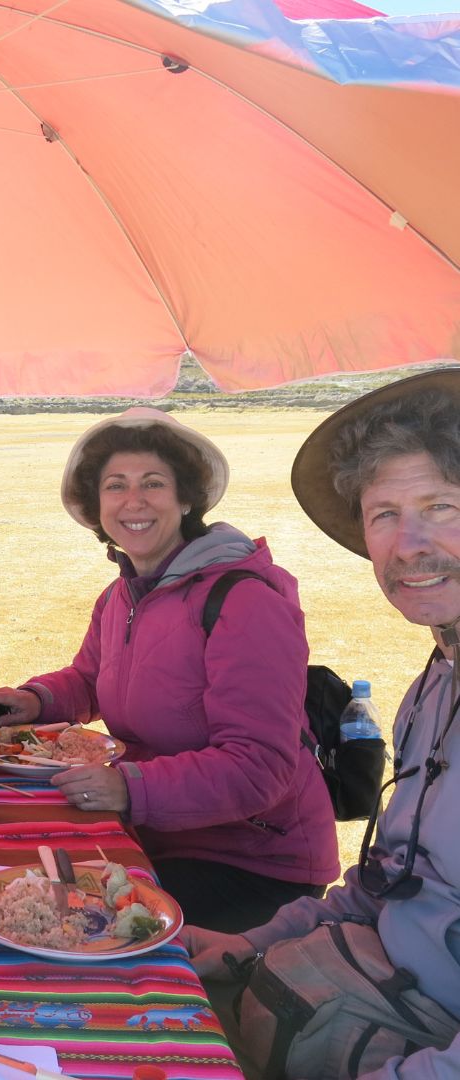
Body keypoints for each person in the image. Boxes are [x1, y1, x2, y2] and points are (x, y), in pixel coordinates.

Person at [186, 370, 460, 1078]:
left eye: (440, 506)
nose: (408, 545)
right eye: (383, 514)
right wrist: (249, 943)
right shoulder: (433, 688)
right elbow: (385, 881)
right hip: (359, 995)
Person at [0, 407, 338, 932]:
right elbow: (93, 680)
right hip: (155, 834)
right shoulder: (123, 594)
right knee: (19, 882)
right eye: (115, 486)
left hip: (249, 861)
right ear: (98, 508)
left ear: (186, 499)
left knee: (66, 924)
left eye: (153, 484)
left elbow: (260, 766)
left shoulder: (244, 600)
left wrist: (130, 789)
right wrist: (37, 700)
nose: (133, 501)